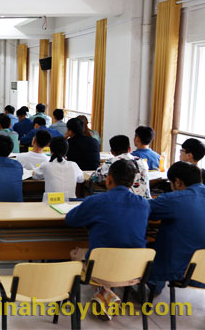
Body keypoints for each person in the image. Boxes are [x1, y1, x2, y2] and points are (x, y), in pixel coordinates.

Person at [66, 160, 150, 319]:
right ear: (132, 182)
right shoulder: (144, 204)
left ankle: (102, 292)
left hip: (100, 270)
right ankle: (106, 293)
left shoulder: (96, 201)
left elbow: (71, 220)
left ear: (109, 179)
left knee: (76, 252)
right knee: (110, 252)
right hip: (134, 271)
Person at [148, 162, 205, 295]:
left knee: (147, 245)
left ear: (178, 182)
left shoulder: (174, 199)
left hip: (181, 272)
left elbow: (141, 209)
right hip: (201, 272)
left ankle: (153, 285)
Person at [90, 135, 151, 199]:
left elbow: (93, 178)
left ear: (112, 152)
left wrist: (101, 167)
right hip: (145, 202)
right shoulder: (142, 162)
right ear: (130, 149)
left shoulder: (110, 163)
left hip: (124, 202)